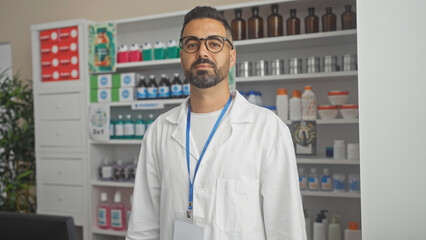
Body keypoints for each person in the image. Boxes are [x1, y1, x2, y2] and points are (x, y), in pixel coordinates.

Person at [126, 6, 306, 240]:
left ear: (231, 57)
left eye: (214, 43)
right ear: (181, 56)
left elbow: (287, 227)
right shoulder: (159, 131)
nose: (202, 52)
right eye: (192, 44)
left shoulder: (268, 130)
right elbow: (143, 225)